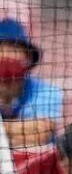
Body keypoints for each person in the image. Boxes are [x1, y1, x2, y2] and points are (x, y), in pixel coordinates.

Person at [0, 18, 62, 147]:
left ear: (27, 57)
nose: (5, 54)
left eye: (13, 49)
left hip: (35, 158)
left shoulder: (46, 92)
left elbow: (38, 135)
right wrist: (20, 129)